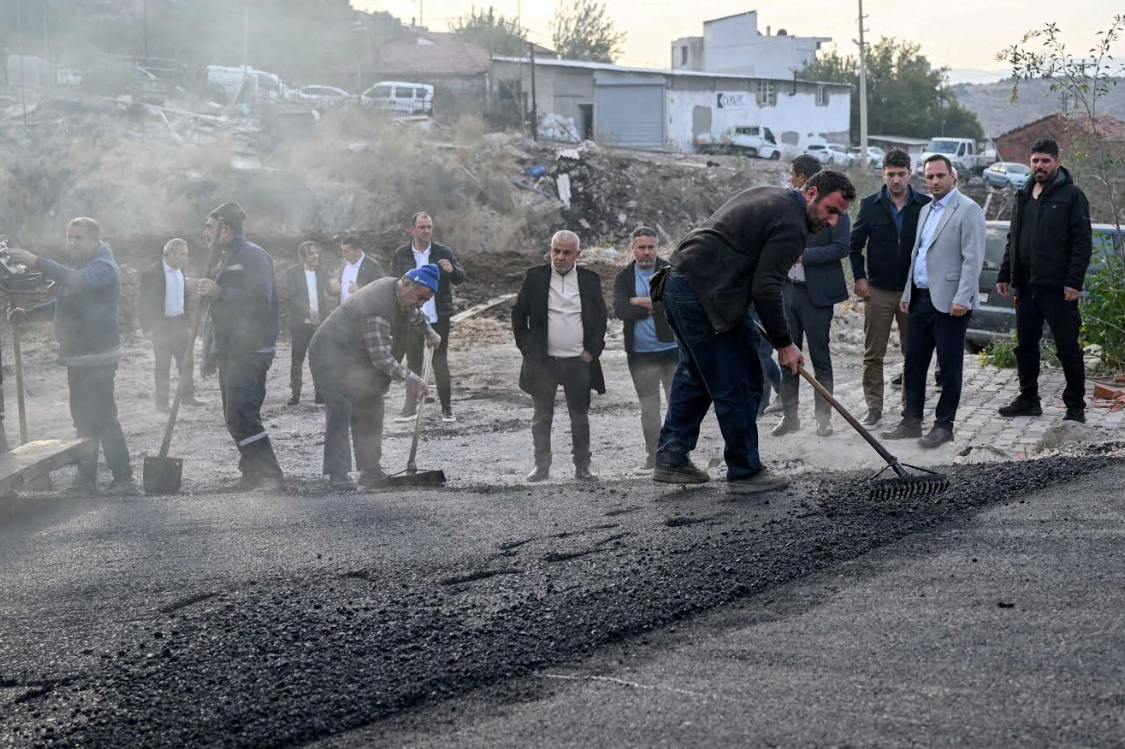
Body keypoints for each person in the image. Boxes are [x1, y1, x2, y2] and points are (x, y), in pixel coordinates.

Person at [652, 170, 856, 494]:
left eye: (839, 216)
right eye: (831, 210)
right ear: (811, 192)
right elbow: (767, 287)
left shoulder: (773, 196)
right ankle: (745, 471)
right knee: (741, 378)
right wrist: (785, 344)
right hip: (705, 294)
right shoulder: (792, 225)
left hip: (680, 284)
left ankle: (671, 458)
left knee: (696, 375)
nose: (832, 222)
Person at [7, 218, 136, 494]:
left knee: (103, 417)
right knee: (83, 419)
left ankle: (124, 479)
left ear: (94, 240)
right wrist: (28, 315)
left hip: (97, 357)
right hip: (78, 356)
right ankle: (86, 479)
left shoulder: (103, 267)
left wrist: (37, 261)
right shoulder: (83, 265)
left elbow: (79, 282)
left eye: (78, 237)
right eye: (69, 237)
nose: (72, 242)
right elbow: (64, 299)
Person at [881, 155, 986, 448]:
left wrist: (962, 297)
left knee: (950, 368)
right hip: (920, 299)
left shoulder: (968, 209)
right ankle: (911, 420)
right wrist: (907, 294)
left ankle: (944, 425)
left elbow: (972, 259)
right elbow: (918, 254)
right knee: (913, 362)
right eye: (930, 177)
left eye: (940, 176)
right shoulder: (926, 210)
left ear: (953, 176)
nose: (935, 181)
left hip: (951, 302)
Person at [309, 266, 440, 490]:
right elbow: (381, 358)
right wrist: (412, 379)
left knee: (371, 404)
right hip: (329, 355)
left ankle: (370, 470)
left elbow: (414, 312)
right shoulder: (377, 308)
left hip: (356, 358)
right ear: (407, 284)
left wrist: (429, 332)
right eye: (421, 297)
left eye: (426, 299)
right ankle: (337, 474)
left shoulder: (401, 293)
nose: (422, 303)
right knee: (341, 407)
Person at [996, 139, 1092, 423]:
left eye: (1045, 161)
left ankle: (1075, 406)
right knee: (1025, 346)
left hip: (1058, 289)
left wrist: (1074, 281)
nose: (1039, 166)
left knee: (1067, 348)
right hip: (1026, 287)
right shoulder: (1023, 194)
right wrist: (1005, 273)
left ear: (1057, 163)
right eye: (1035, 160)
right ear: (1030, 162)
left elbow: (1082, 243)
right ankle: (1028, 399)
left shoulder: (1072, 196)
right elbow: (1013, 238)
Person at [197, 202, 286, 490]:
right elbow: (216, 314)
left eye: (209, 227)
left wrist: (220, 291)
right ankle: (251, 473)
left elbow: (260, 300)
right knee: (233, 414)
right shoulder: (222, 258)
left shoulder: (253, 256)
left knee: (242, 412)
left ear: (227, 230)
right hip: (230, 349)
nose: (205, 233)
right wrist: (212, 353)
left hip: (252, 347)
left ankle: (270, 474)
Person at [512, 230, 607, 483]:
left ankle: (583, 465)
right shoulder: (535, 277)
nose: (560, 257)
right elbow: (518, 313)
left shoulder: (589, 279)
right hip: (544, 362)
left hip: (578, 361)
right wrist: (527, 348)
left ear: (578, 254)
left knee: (579, 416)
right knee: (542, 416)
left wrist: (593, 350)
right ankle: (541, 466)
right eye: (556, 250)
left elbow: (600, 318)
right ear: (550, 249)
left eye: (566, 252)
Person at [849, 148, 931, 426]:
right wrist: (860, 278)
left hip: (913, 291)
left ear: (910, 174)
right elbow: (854, 246)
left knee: (914, 353)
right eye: (891, 174)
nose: (896, 179)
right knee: (873, 354)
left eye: (901, 174)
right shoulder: (870, 205)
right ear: (883, 173)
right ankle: (874, 408)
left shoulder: (925, 205)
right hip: (879, 291)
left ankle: (911, 410)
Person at [772, 155, 851, 438]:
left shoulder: (836, 208)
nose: (790, 179)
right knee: (787, 355)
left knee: (820, 358)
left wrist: (805, 256)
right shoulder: (789, 208)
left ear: (805, 179)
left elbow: (842, 247)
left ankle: (823, 418)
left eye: (793, 175)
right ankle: (790, 417)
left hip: (817, 296)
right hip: (788, 292)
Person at [613, 226, 677, 474]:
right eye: (642, 247)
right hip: (640, 354)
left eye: (651, 247)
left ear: (657, 248)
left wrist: (639, 301)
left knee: (678, 405)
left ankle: (677, 455)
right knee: (649, 408)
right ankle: (653, 456)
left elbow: (674, 303)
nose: (647, 252)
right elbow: (620, 309)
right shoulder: (623, 278)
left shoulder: (669, 271)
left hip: (671, 350)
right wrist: (653, 304)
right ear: (633, 249)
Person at [390, 212, 466, 423]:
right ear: (413, 230)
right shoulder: (401, 254)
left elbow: (460, 278)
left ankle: (447, 408)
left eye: (429, 227)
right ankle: (409, 408)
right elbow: (393, 282)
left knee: (440, 363)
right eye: (422, 227)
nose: (426, 231)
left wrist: (452, 270)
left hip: (438, 316)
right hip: (411, 317)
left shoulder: (443, 252)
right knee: (413, 362)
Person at [139, 238, 204, 412]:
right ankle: (162, 403)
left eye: (186, 254)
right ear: (170, 253)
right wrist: (148, 326)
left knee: (186, 362)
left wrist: (187, 322)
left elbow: (183, 298)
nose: (185, 257)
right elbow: (144, 302)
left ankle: (187, 397)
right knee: (163, 365)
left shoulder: (180, 271)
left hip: (180, 324)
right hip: (162, 325)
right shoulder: (151, 273)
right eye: (183, 254)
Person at [284, 241, 330, 406]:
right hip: (300, 323)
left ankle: (320, 394)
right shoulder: (293, 273)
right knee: (297, 359)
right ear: (302, 257)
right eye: (311, 253)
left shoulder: (323, 271)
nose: (316, 256)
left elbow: (330, 291)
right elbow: (291, 297)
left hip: (319, 324)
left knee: (319, 358)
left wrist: (338, 287)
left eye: (317, 252)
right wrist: (308, 310)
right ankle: (295, 394)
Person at [329, 234, 383, 304]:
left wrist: (359, 292)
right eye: (342, 251)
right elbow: (341, 284)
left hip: (362, 313)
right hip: (343, 311)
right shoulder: (344, 263)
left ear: (358, 251)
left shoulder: (373, 266)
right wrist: (336, 288)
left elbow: (380, 294)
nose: (343, 254)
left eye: (346, 251)